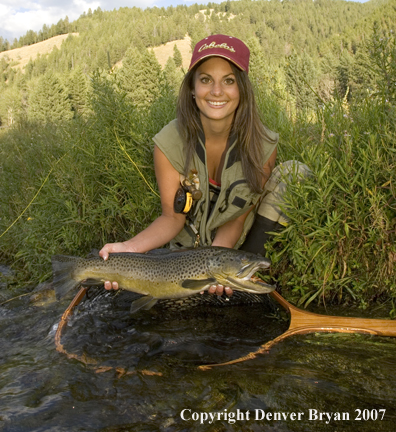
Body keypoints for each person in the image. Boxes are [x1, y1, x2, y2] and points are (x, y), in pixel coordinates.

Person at [100, 34, 286, 295]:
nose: (217, 91)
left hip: (236, 249)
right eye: (206, 79)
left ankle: (252, 272)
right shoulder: (168, 142)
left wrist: (220, 270)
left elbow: (237, 219)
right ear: (192, 88)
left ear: (242, 89)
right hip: (184, 259)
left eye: (229, 80)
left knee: (294, 173)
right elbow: (171, 218)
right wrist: (129, 249)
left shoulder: (264, 145)